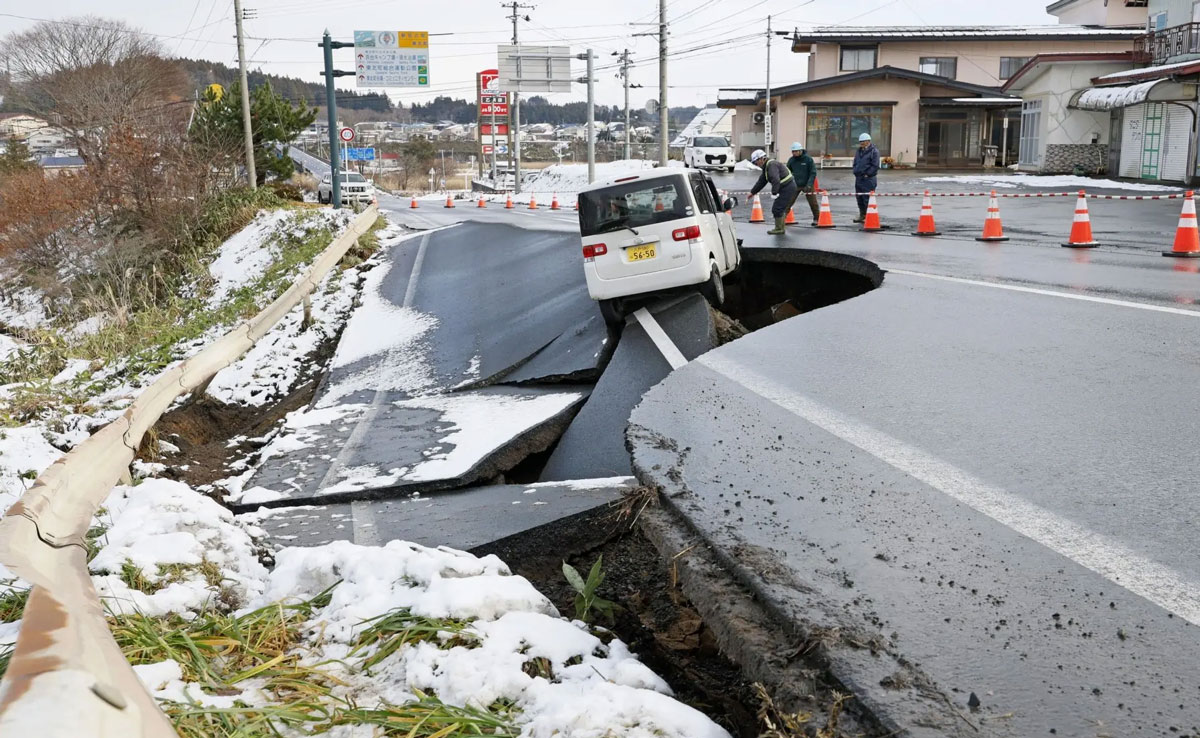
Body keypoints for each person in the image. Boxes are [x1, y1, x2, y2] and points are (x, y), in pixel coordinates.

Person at [747, 148, 798, 235]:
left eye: (756, 162)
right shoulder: (766, 166)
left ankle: (779, 229)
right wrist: (752, 192)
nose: (756, 164)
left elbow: (775, 179)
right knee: (779, 208)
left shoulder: (771, 165)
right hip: (785, 187)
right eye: (754, 163)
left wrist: (774, 192)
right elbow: (762, 181)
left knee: (777, 208)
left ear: (762, 158)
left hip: (788, 187)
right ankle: (780, 227)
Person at [785, 141, 820, 226]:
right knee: (788, 202)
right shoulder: (791, 160)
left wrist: (809, 184)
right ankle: (782, 218)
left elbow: (813, 173)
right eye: (793, 152)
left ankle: (817, 219)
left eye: (796, 151)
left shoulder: (808, 159)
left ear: (800, 151)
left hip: (807, 184)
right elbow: (787, 172)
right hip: (795, 184)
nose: (794, 153)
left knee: (813, 203)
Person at [852, 132, 880, 223]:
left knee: (867, 198)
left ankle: (869, 216)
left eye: (863, 142)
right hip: (859, 178)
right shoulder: (859, 151)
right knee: (859, 197)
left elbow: (875, 165)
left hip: (868, 179)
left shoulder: (874, 151)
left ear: (868, 141)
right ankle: (862, 215)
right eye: (860, 142)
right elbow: (856, 162)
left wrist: (868, 174)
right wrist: (855, 170)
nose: (861, 144)